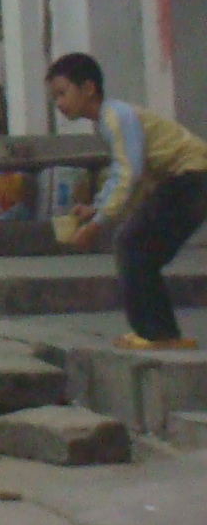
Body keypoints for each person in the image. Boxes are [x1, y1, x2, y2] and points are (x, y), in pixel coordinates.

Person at [48, 52, 207, 350]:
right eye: (54, 97)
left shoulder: (115, 117)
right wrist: (96, 207)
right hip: (187, 180)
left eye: (62, 93)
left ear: (88, 88)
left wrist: (96, 224)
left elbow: (128, 173)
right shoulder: (108, 120)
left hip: (190, 177)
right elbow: (127, 175)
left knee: (132, 244)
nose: (58, 103)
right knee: (138, 248)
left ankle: (157, 333)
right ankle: (160, 332)